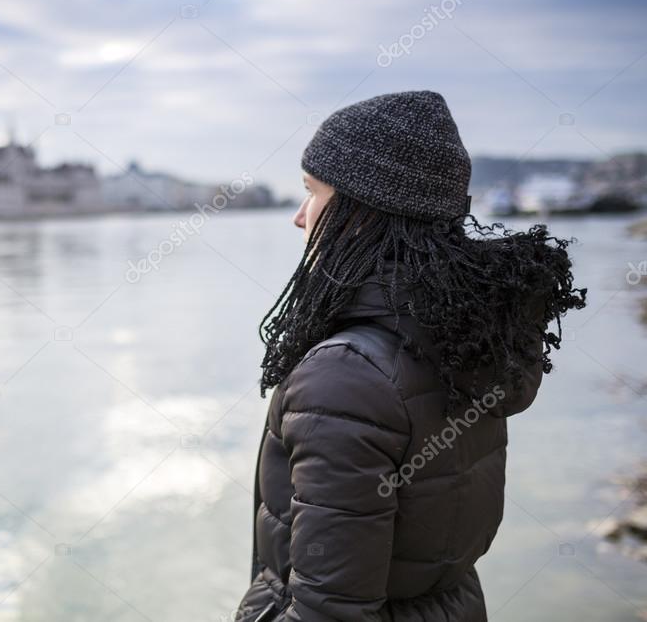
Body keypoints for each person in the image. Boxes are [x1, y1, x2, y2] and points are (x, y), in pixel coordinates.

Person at [236, 91, 586, 621]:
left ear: (363, 211)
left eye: (311, 193)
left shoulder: (345, 377)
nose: (299, 216)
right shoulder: (464, 333)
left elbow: (327, 612)